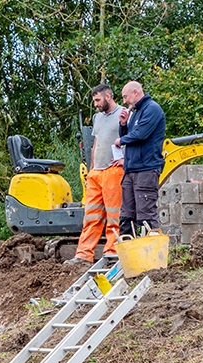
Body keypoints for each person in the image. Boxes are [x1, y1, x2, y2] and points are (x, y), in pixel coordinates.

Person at [65, 84, 125, 265]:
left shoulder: (123, 114)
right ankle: (83, 255)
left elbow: (131, 139)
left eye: (98, 100)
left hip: (113, 170)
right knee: (91, 217)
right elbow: (95, 144)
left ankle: (113, 252)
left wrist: (125, 160)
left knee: (115, 215)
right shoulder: (98, 118)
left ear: (108, 96)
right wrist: (91, 169)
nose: (96, 104)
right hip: (96, 173)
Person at [114, 81, 166, 237]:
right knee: (126, 216)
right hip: (131, 170)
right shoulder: (135, 112)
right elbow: (129, 135)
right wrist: (123, 124)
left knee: (146, 216)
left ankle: (153, 257)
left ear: (135, 92)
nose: (124, 101)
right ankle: (128, 255)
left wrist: (120, 141)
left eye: (126, 97)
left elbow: (140, 135)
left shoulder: (152, 109)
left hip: (146, 169)